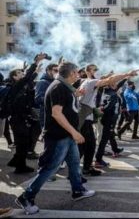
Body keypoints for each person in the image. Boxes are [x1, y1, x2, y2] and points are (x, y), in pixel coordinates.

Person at [15, 62, 95, 215]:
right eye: (77, 73)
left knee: (74, 162)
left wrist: (76, 94)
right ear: (71, 73)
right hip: (59, 136)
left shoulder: (63, 86)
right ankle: (26, 197)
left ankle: (77, 190)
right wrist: (75, 132)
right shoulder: (58, 87)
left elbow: (65, 105)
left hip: (67, 135)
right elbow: (56, 113)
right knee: (50, 168)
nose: (78, 75)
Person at [78, 64, 138, 176]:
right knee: (82, 147)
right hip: (85, 119)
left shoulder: (89, 82)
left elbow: (108, 80)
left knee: (89, 146)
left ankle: (86, 168)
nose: (98, 72)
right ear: (90, 72)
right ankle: (75, 172)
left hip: (88, 118)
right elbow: (109, 80)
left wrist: (123, 77)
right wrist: (127, 74)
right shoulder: (90, 82)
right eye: (95, 70)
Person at [6, 53, 47, 174]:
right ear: (14, 77)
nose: (22, 74)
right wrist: (35, 62)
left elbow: (28, 82)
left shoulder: (22, 87)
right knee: (22, 143)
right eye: (19, 73)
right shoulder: (14, 87)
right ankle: (20, 166)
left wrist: (35, 72)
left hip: (23, 119)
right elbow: (27, 78)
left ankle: (17, 162)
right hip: (17, 119)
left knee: (23, 143)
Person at [94, 78, 127, 167]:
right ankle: (98, 159)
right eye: (114, 84)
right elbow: (108, 107)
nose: (116, 85)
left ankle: (115, 150)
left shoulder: (106, 92)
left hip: (106, 119)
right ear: (110, 85)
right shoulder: (113, 95)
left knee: (109, 136)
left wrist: (126, 77)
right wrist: (101, 109)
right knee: (104, 140)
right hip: (109, 120)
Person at [35, 63, 59, 129]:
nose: (57, 72)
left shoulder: (56, 82)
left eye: (58, 71)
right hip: (46, 115)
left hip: (55, 115)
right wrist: (54, 99)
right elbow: (38, 99)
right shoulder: (42, 82)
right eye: (55, 70)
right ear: (48, 70)